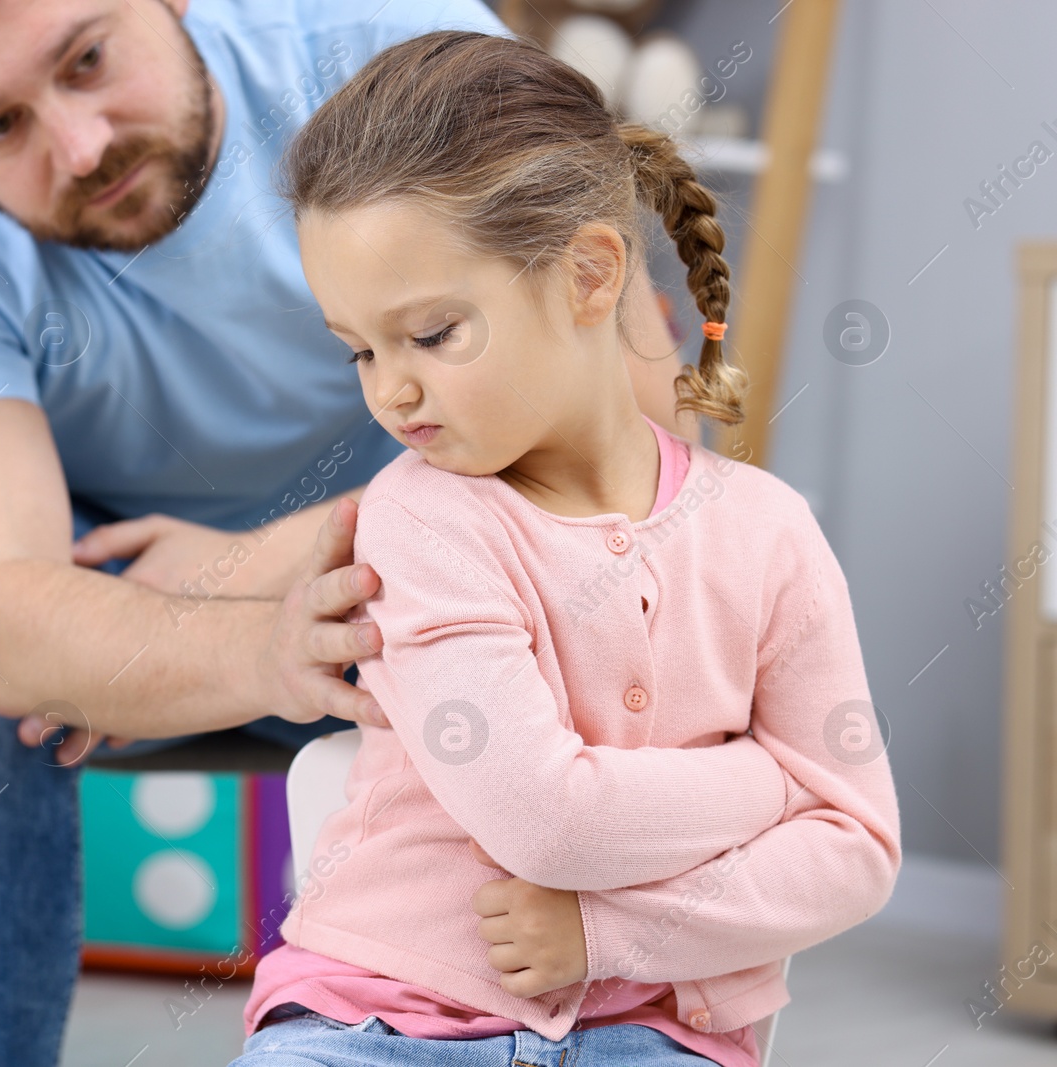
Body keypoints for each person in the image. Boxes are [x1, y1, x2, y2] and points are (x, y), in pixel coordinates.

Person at [0, 0, 699, 1061]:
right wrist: (258, 637)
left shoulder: (394, 46)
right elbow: (3, 616)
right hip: (143, 589)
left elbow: (632, 440)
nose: (81, 146)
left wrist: (251, 566)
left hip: (425, 565)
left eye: (88, 59)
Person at [231, 29, 902, 1067]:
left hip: (659, 1032)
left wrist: (611, 937)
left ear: (590, 275)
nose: (389, 390)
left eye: (432, 333)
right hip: (378, 1019)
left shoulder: (768, 534)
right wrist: (769, 785)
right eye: (360, 347)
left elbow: (856, 851)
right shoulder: (422, 517)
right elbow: (544, 821)